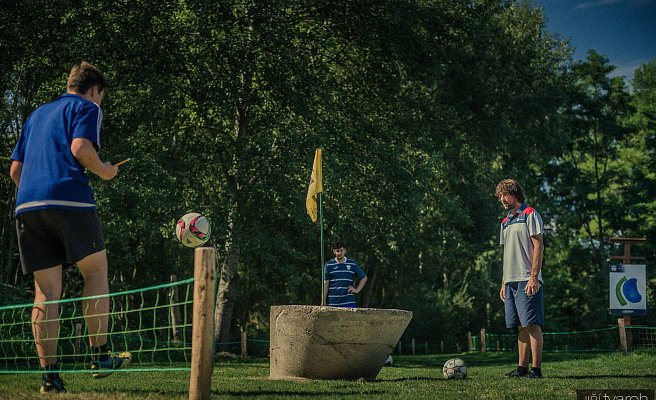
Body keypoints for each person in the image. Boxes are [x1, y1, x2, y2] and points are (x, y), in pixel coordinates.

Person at [9, 61, 131, 393]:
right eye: (101, 97)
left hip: (28, 205)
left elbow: (15, 170)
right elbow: (81, 149)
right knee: (95, 272)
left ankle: (49, 377)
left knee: (46, 293)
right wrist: (106, 171)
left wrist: (38, 192)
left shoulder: (36, 115)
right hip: (70, 201)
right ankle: (100, 356)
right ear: (95, 90)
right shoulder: (87, 108)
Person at [496, 179, 545, 379]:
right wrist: (503, 282)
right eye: (499, 196)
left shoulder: (530, 214)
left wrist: (534, 276)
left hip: (527, 278)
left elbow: (539, 246)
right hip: (510, 281)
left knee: (532, 324)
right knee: (520, 326)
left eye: (504, 195)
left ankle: (536, 370)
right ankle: (522, 368)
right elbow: (507, 254)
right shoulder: (505, 222)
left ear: (514, 193)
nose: (502, 199)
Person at [323, 241, 368, 307]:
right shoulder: (328, 265)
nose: (340, 253)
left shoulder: (352, 264)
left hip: (348, 301)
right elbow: (326, 283)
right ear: (334, 251)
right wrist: (323, 300)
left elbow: (364, 278)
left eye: (341, 250)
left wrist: (357, 290)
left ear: (345, 250)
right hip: (333, 302)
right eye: (337, 251)